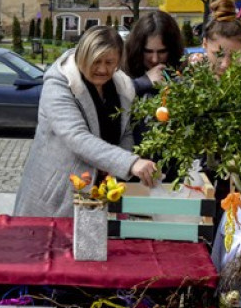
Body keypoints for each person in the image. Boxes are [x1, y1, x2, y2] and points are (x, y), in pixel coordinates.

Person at [13, 26, 158, 218]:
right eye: (96, 61)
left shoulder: (122, 86)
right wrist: (129, 163)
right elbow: (77, 137)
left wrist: (117, 171)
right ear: (82, 56)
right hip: (54, 198)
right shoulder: (59, 84)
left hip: (98, 198)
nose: (102, 69)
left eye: (109, 62)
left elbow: (126, 132)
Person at [122, 10, 184, 97]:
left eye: (162, 52)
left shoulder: (183, 71)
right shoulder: (121, 71)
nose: (155, 59)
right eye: (148, 51)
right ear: (137, 49)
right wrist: (142, 83)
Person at [202, 0, 241, 76]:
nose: (225, 64)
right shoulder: (188, 82)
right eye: (218, 55)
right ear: (205, 44)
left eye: (233, 56)